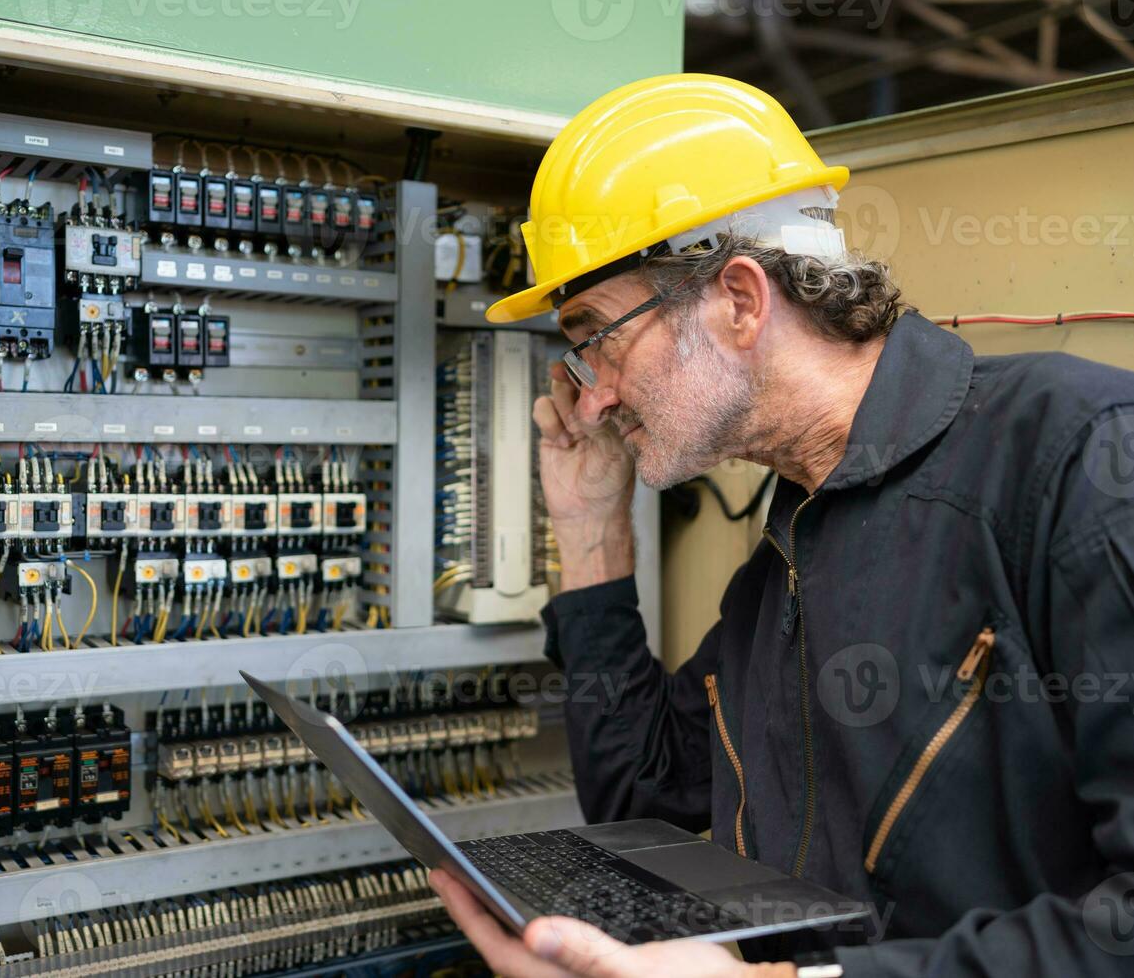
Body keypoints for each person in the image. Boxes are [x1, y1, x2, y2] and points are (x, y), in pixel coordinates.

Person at [429, 73, 1134, 978]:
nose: (591, 395)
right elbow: (641, 792)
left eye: (597, 335)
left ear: (738, 300)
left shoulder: (1078, 457)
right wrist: (591, 530)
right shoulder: (791, 544)